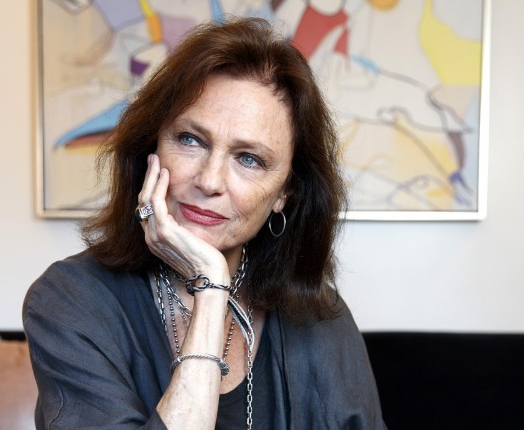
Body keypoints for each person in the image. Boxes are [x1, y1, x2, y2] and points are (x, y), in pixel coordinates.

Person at [23, 17, 386, 430]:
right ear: (151, 148)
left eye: (249, 159)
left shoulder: (319, 315)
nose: (209, 181)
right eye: (190, 140)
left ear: (284, 193)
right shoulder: (70, 299)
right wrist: (212, 288)